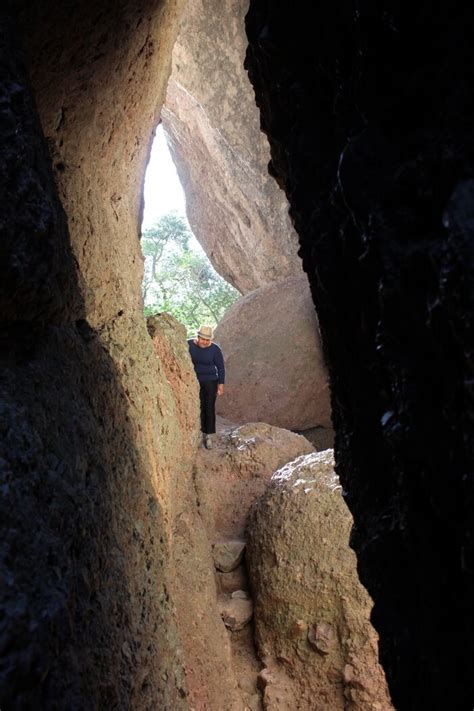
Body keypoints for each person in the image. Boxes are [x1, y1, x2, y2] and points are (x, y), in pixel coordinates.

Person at [188, 325, 225, 449]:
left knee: (208, 407)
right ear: (197, 337)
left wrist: (221, 384)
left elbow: (220, 368)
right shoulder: (189, 345)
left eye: (207, 340)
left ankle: (208, 435)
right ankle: (197, 431)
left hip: (210, 381)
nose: (205, 342)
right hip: (193, 382)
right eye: (202, 339)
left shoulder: (215, 350)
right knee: (197, 406)